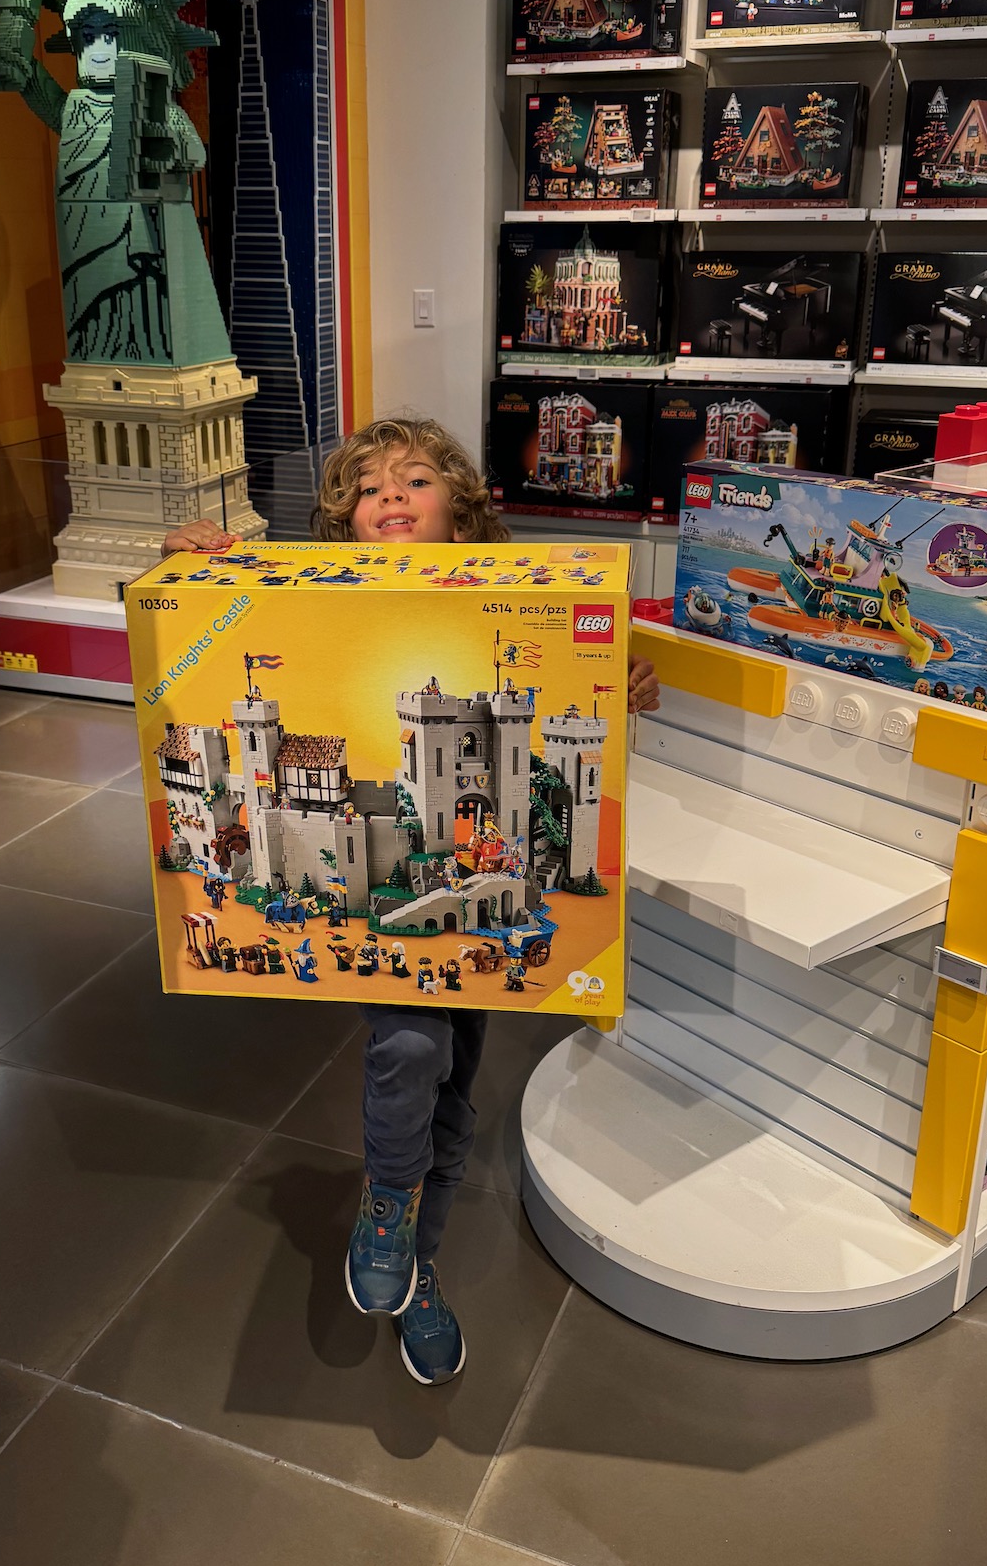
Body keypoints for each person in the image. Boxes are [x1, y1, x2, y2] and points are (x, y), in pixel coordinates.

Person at [163, 415, 658, 1386]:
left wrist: (623, 676)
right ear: (342, 522)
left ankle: (418, 1260)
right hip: (399, 887)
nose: (390, 496)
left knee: (457, 1082)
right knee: (412, 1044)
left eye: (416, 479)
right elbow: (193, 634)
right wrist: (180, 565)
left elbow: (579, 692)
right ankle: (389, 1204)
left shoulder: (515, 607)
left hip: (484, 876)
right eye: (368, 487)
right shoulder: (310, 596)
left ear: (462, 515)